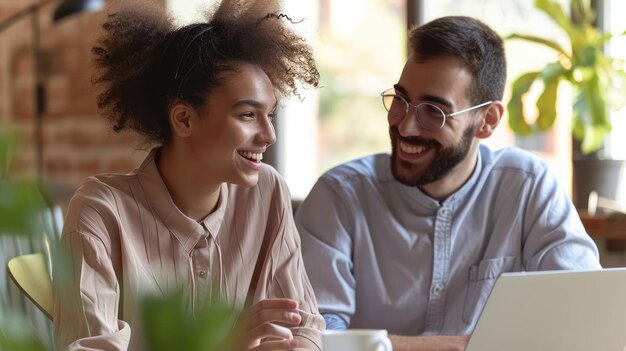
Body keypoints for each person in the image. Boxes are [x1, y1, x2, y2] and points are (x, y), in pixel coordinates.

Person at [295, 15, 601, 351]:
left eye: (433, 112)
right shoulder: (339, 196)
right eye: (400, 101)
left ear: (487, 121)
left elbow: (585, 319)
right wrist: (461, 345)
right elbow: (317, 340)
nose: (406, 127)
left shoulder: (527, 186)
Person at [53, 0, 323, 350]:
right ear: (183, 119)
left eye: (269, 114)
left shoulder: (267, 192)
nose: (269, 135)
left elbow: (305, 329)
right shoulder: (100, 214)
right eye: (246, 115)